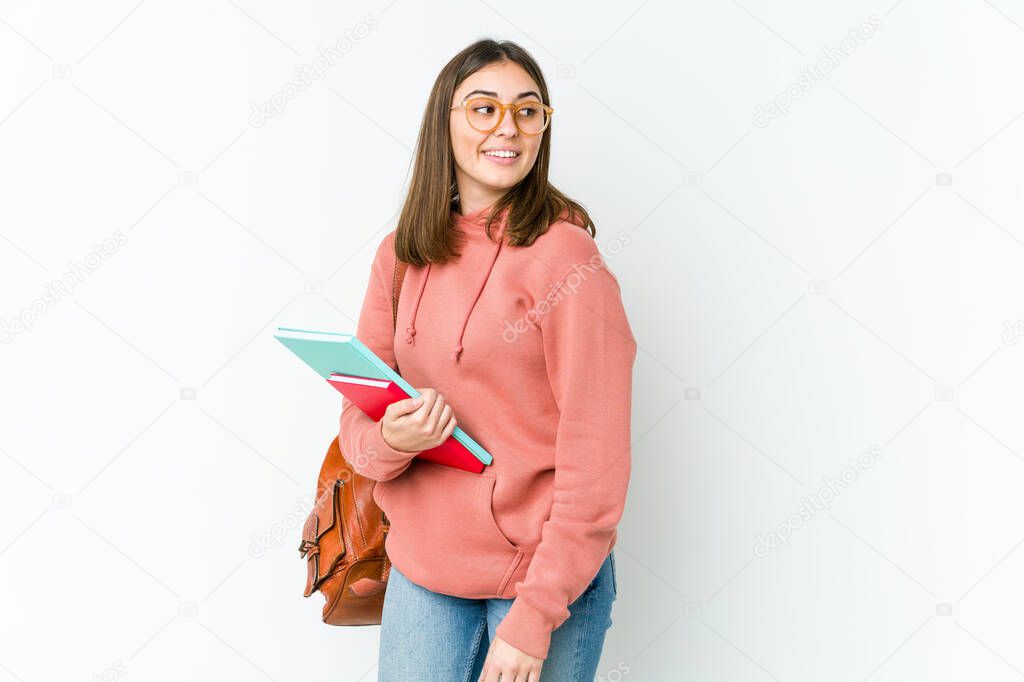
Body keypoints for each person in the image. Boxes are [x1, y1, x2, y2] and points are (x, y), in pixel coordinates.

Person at [339, 37, 637, 682]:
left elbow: (598, 459)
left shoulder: (567, 261)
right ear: (444, 121)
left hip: (538, 580)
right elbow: (357, 435)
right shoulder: (400, 256)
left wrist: (533, 618)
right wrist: (394, 438)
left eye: (529, 112)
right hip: (423, 572)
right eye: (483, 108)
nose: (509, 127)